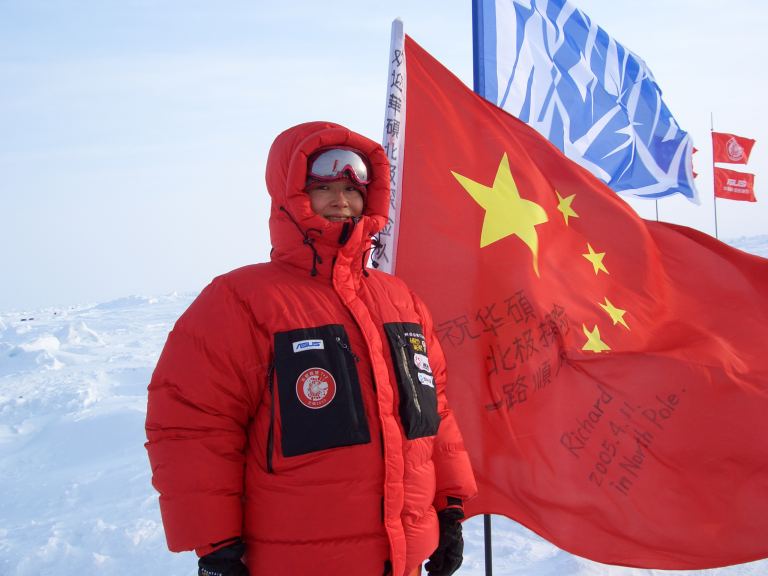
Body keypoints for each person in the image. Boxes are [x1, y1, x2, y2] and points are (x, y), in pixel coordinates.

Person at [145, 121, 478, 576]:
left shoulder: (401, 299)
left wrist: (449, 507)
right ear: (289, 196)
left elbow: (432, 409)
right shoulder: (241, 302)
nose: (341, 200)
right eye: (323, 187)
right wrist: (215, 545)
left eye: (351, 188)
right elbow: (191, 427)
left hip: (401, 559)